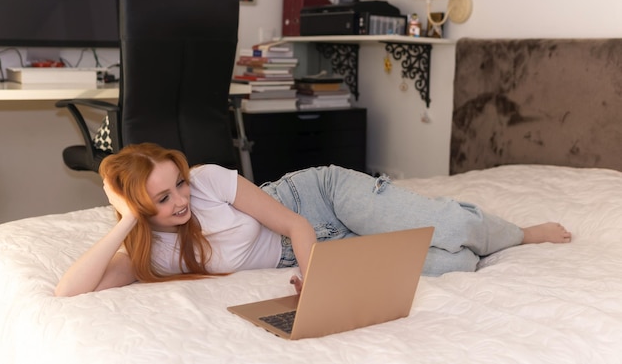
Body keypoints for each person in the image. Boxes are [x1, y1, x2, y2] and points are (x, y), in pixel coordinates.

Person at [54, 143, 571, 297]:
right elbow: (67, 292)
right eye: (161, 200)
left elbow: (295, 226)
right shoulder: (151, 254)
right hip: (298, 250)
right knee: (447, 268)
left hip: (317, 202)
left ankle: (522, 234)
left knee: (450, 230)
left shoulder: (209, 179)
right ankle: (477, 249)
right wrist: (125, 219)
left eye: (179, 184)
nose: (180, 201)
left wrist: (322, 284)